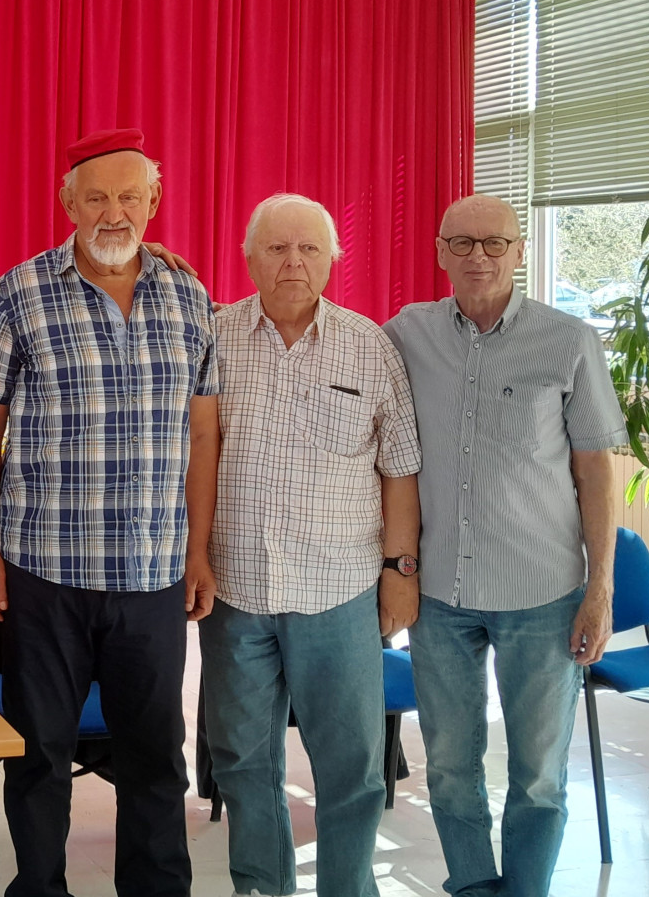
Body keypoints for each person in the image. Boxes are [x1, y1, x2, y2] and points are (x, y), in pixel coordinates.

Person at [0, 128, 220, 897]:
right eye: (97, 197)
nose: (114, 212)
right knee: (39, 754)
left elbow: (204, 431)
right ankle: (38, 888)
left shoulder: (189, 296)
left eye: (129, 196)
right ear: (67, 202)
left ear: (153, 201)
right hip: (44, 573)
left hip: (152, 575)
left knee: (156, 757)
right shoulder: (22, 290)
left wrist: (198, 552)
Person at [384, 194, 625, 897]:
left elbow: (595, 471)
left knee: (539, 775)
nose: (479, 256)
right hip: (440, 596)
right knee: (450, 767)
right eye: (461, 243)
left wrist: (600, 589)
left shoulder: (569, 340)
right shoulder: (405, 334)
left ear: (520, 251)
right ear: (440, 252)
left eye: (495, 242)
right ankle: (470, 885)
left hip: (542, 593)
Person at [203, 193, 421, 897]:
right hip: (236, 592)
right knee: (242, 762)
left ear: (332, 259)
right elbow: (191, 455)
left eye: (309, 249)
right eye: (277, 248)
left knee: (352, 768)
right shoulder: (213, 338)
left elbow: (400, 467)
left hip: (340, 591)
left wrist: (400, 570)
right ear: (249, 258)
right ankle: (261, 887)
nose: (293, 262)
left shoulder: (370, 346)